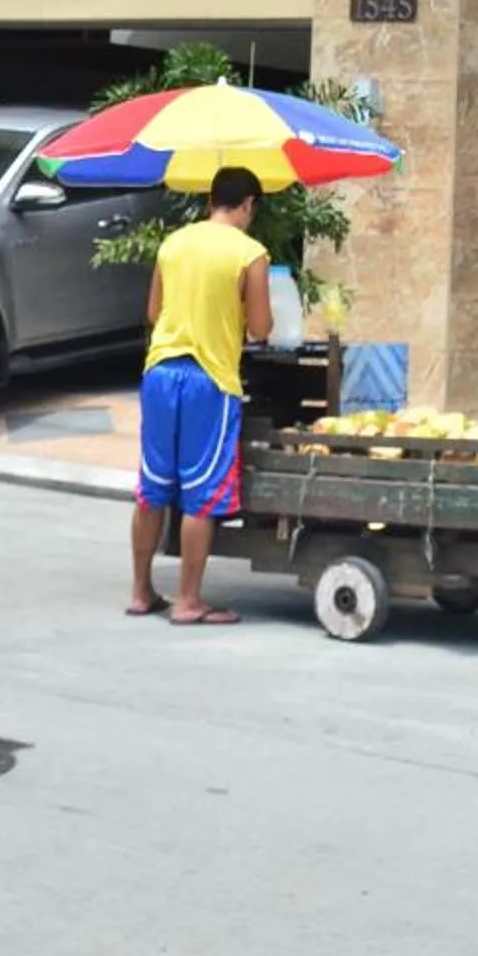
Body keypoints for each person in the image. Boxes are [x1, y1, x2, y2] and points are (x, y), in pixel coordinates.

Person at [130, 164, 271, 626]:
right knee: (200, 493)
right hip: (210, 380)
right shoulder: (250, 254)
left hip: (160, 374)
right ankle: (188, 600)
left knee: (152, 489)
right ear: (248, 204)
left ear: (212, 200)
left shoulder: (174, 243)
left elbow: (153, 311)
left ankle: (141, 591)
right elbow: (261, 328)